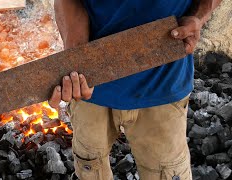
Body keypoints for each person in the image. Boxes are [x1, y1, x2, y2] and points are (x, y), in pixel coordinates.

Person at [48, 1, 221, 179]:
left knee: (168, 172)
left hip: (163, 84)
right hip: (90, 86)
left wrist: (198, 17)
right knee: (90, 168)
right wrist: (76, 54)